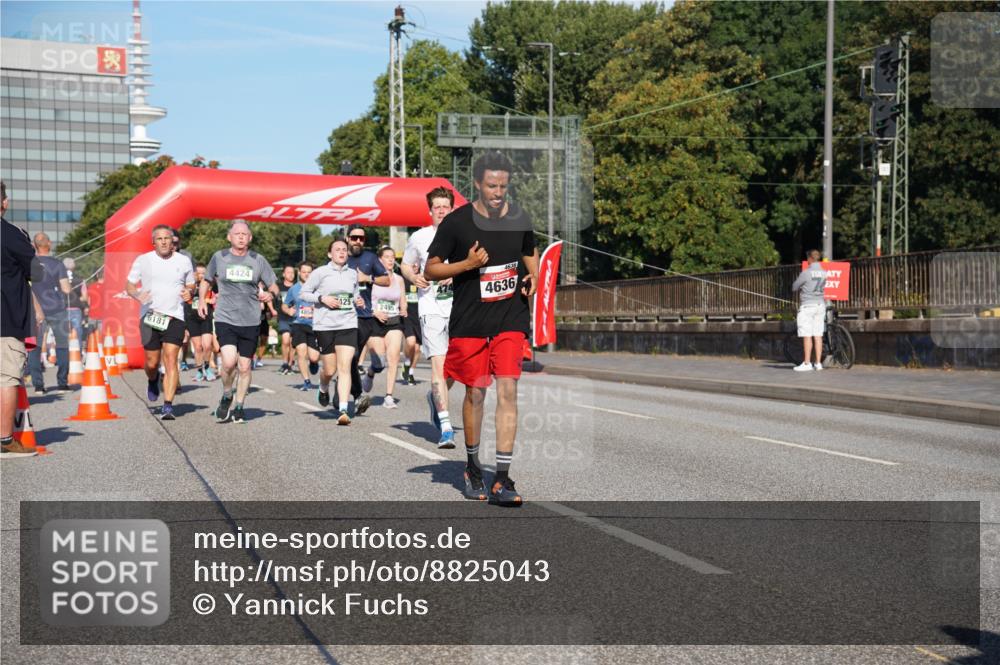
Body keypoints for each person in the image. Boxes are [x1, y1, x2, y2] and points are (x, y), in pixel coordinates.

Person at [425, 151, 538, 506]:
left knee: (508, 391)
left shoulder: (519, 217)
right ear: (477, 184)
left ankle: (502, 479)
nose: (498, 192)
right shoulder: (457, 222)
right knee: (475, 394)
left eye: (503, 185)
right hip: (471, 321)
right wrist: (469, 264)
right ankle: (473, 467)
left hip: (510, 318)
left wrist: (532, 276)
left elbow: (529, 252)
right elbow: (431, 269)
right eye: (491, 186)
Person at [199, 220, 279, 424]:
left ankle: (240, 405)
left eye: (245, 234)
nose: (241, 237)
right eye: (237, 234)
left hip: (251, 320)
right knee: (228, 362)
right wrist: (201, 301)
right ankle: (227, 394)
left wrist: (270, 294)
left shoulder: (258, 260)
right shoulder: (220, 257)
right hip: (226, 317)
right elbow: (207, 280)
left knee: (244, 367)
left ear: (250, 238)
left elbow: (274, 286)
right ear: (229, 237)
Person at [402, 186, 457, 448]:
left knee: (457, 369)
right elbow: (405, 264)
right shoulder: (420, 238)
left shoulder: (466, 236)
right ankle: (446, 426)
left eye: (446, 207)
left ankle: (434, 398)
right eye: (437, 207)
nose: (442, 211)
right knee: (439, 364)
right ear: (430, 211)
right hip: (431, 308)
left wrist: (454, 273)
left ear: (452, 209)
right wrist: (413, 277)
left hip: (460, 309)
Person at [126, 224, 196, 420]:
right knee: (151, 362)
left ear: (173, 241)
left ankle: (168, 405)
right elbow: (129, 285)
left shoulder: (183, 261)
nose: (164, 242)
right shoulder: (143, 260)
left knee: (171, 359)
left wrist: (189, 291)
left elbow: (191, 282)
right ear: (153, 242)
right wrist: (137, 295)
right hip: (150, 315)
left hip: (175, 316)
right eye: (160, 239)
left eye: (168, 238)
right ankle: (153, 378)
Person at [299, 239, 364, 425]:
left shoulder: (353, 274)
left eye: (344, 250)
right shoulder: (320, 273)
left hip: (348, 323)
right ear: (330, 254)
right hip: (325, 325)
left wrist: (358, 301)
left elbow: (355, 294)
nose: (342, 253)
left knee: (345, 367)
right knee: (330, 369)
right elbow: (304, 293)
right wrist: (322, 298)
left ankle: (343, 409)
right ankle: (323, 386)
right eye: (337, 250)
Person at [2, 181, 42, 458]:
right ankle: (5, 440)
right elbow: (36, 272)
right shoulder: (11, 233)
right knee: (6, 379)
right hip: (6, 319)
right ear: (4, 202)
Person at [345, 224, 391, 415]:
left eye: (361, 238)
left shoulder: (370, 258)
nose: (358, 241)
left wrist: (368, 278)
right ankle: (355, 395)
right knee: (349, 356)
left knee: (352, 358)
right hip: (343, 315)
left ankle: (347, 392)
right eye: (354, 237)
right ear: (347, 238)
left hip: (364, 317)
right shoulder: (340, 255)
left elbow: (386, 279)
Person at [27, 232, 71, 393]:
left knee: (35, 347)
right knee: (62, 345)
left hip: (35, 310)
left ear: (34, 245)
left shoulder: (30, 263)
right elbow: (66, 289)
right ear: (49, 244)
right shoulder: (57, 264)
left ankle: (39, 386)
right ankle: (62, 383)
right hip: (57, 309)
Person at [368, 246, 408, 408]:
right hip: (375, 322)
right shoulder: (373, 279)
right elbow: (363, 300)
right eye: (387, 257)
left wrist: (403, 309)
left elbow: (402, 299)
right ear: (380, 260)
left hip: (394, 321)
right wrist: (375, 312)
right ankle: (371, 372)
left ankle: (389, 396)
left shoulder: (398, 279)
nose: (391, 260)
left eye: (393, 257)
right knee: (380, 362)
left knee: (394, 358)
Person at [282, 262, 321, 391]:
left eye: (309, 272)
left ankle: (314, 363)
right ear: (299, 273)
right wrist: (288, 311)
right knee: (301, 352)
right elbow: (285, 304)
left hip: (314, 326)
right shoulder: (294, 289)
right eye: (304, 272)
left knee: (314, 356)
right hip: (298, 324)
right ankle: (306, 381)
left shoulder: (318, 288)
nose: (306, 274)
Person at [791, 249, 828, 372]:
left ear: (810, 259)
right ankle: (818, 363)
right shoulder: (824, 272)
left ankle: (807, 363)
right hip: (820, 305)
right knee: (818, 335)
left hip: (807, 306)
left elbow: (794, 286)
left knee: (807, 335)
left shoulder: (806, 273)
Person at [186, 264, 218, 382]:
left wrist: (214, 299)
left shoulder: (210, 284)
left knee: (207, 345)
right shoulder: (190, 285)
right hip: (192, 318)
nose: (201, 275)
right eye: (198, 273)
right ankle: (200, 371)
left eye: (203, 273)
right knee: (198, 347)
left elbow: (218, 294)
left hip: (206, 317)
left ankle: (208, 367)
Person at [63, 257, 89, 344]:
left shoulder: (58, 279)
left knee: (63, 333)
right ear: (74, 267)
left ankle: (64, 353)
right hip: (76, 309)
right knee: (77, 331)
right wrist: (76, 299)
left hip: (62, 309)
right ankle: (78, 352)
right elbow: (85, 297)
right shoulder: (80, 280)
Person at [400, 277, 421, 385]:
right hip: (406, 315)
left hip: (419, 316)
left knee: (417, 349)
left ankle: (410, 373)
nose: (415, 265)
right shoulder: (403, 279)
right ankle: (407, 362)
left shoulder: (423, 277)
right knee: (411, 342)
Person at [276, 265, 296, 375]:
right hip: (283, 317)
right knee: (285, 340)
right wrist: (272, 310)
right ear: (283, 274)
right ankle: (284, 363)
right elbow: (273, 299)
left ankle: (290, 364)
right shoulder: (279, 287)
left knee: (293, 343)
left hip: (296, 318)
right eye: (288, 272)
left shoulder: (298, 287)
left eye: (292, 272)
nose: (291, 274)